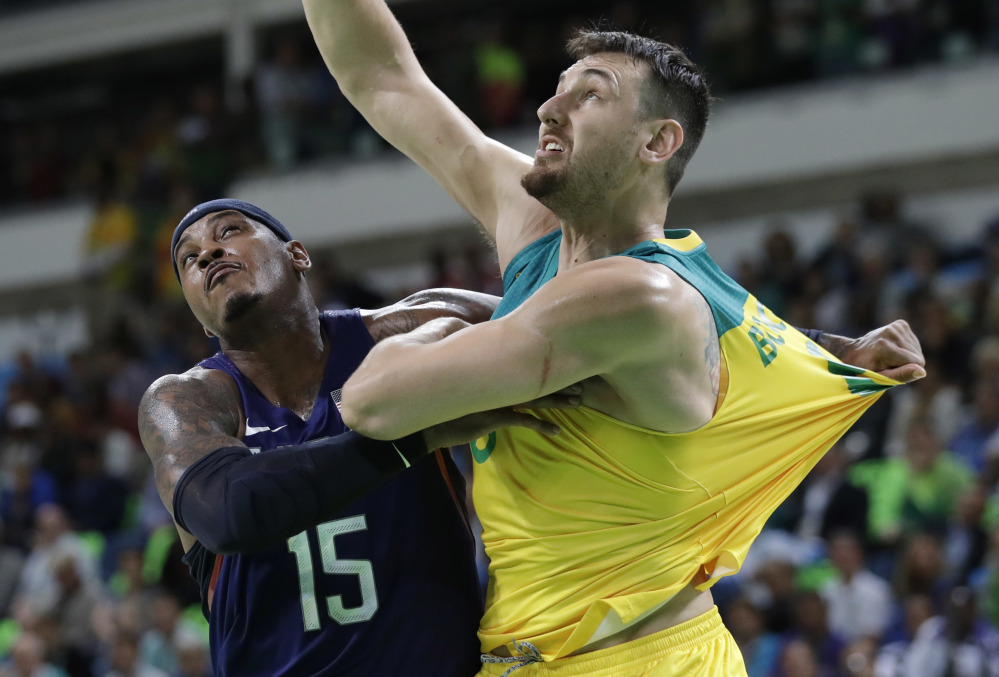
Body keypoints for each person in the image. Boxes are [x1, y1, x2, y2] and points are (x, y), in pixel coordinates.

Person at [303, 3, 926, 675]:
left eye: (588, 94)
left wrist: (447, 331)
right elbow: (383, 79)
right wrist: (837, 345)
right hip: (517, 657)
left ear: (655, 143)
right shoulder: (545, 238)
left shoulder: (637, 298)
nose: (548, 107)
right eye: (557, 88)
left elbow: (369, 400)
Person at [138, 199, 580, 676]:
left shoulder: (416, 329)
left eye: (228, 231)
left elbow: (581, 341)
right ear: (202, 321)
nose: (207, 254)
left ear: (298, 255)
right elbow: (230, 513)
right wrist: (414, 437)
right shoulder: (183, 403)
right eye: (189, 258)